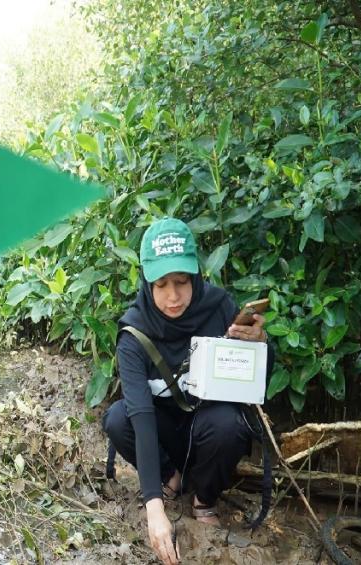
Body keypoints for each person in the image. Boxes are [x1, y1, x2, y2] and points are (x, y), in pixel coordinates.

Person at [101, 218, 273, 565]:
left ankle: (205, 498)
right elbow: (142, 418)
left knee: (228, 425)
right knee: (118, 418)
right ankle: (171, 478)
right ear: (146, 282)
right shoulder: (134, 334)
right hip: (163, 434)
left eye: (181, 282)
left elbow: (254, 384)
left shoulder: (220, 308)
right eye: (161, 284)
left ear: (195, 275)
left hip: (208, 430)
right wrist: (154, 507)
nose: (173, 296)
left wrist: (261, 345)